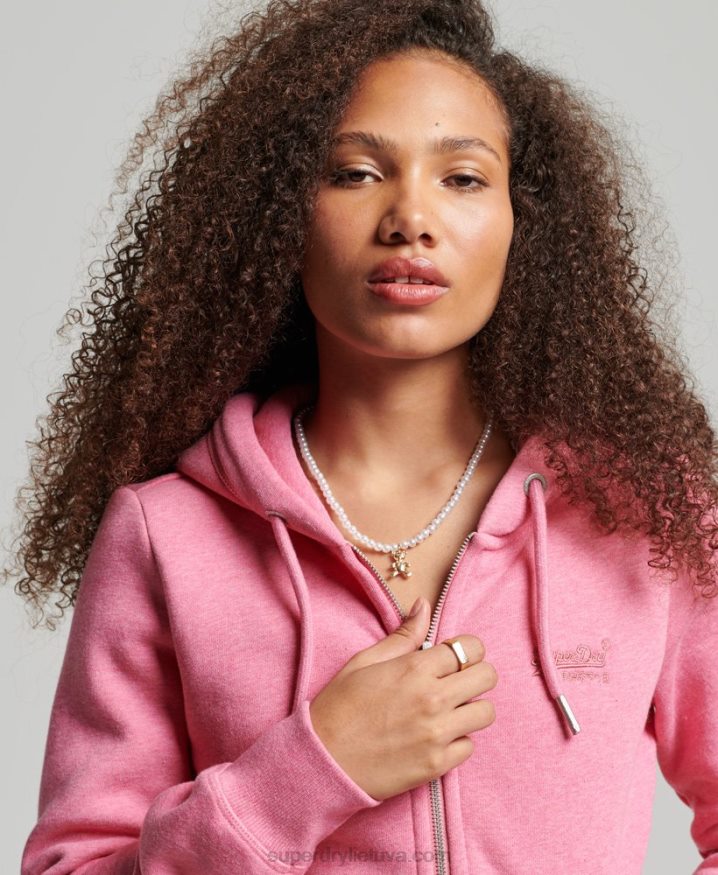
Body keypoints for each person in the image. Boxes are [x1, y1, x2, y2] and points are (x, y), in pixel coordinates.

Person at [8, 0, 717, 872]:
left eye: (463, 178)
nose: (410, 217)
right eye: (353, 172)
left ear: (524, 223)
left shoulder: (645, 511)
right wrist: (308, 772)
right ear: (280, 217)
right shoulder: (165, 535)